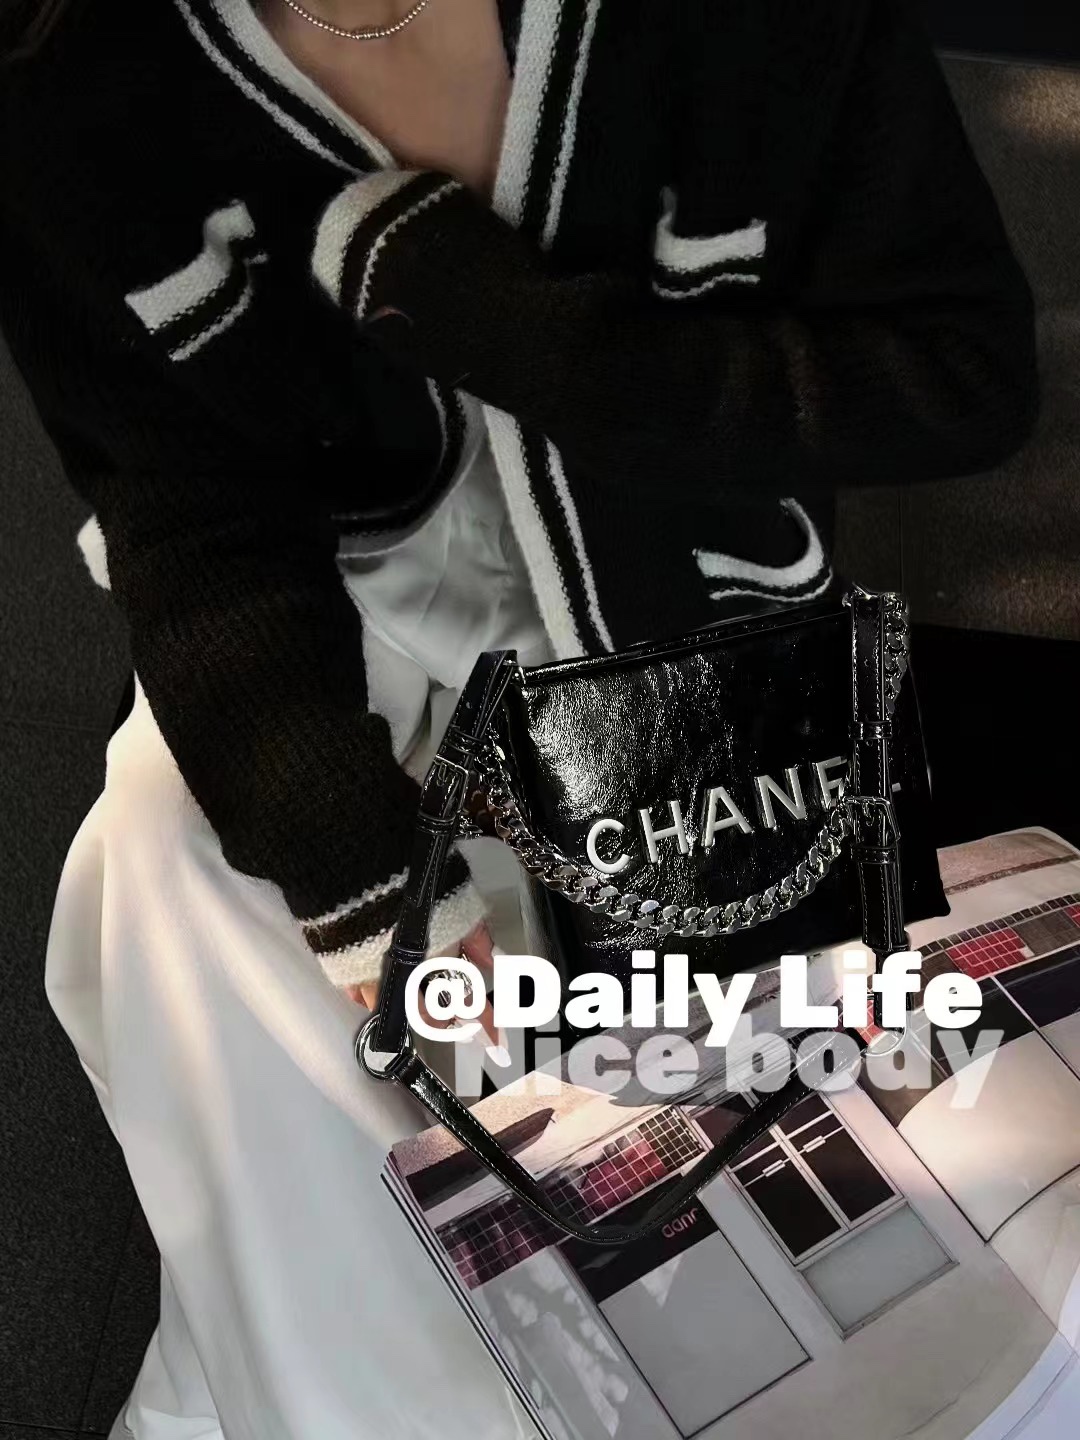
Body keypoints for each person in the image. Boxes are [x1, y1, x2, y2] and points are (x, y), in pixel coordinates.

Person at [0, 0, 1037, 1435]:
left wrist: (529, 339)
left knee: (757, 1161)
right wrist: (355, 880)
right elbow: (190, 520)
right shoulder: (62, 78)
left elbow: (961, 381)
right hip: (330, 650)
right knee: (181, 879)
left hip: (697, 649)